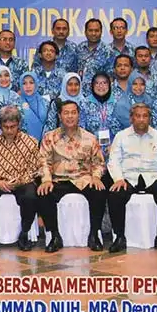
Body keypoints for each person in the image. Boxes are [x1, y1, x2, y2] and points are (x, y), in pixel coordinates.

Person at [37, 101, 108, 252]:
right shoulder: (50, 137)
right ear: (60, 116)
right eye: (66, 113)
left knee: (99, 192)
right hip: (59, 179)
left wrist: (96, 177)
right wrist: (46, 180)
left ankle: (94, 234)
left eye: (73, 113)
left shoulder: (90, 138)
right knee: (44, 193)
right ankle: (55, 236)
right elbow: (43, 161)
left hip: (83, 179)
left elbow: (99, 163)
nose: (70, 116)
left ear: (78, 115)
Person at [107, 103, 157, 252]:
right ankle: (119, 237)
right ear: (131, 118)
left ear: (150, 119)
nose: (141, 119)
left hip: (152, 176)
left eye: (145, 116)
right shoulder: (121, 136)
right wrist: (118, 179)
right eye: (138, 116)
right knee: (115, 194)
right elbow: (113, 161)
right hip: (128, 177)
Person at [0, 106, 40, 253]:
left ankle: (24, 234)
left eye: (13, 127)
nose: (9, 131)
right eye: (6, 127)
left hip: (21, 181)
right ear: (0, 126)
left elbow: (34, 169)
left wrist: (20, 181)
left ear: (19, 124)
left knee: (30, 197)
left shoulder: (31, 142)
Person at [80, 72, 121, 156]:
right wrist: (91, 146)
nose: (101, 86)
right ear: (92, 86)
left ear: (109, 85)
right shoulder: (85, 103)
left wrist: (115, 145)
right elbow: (81, 129)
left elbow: (123, 128)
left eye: (104, 83)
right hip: (91, 150)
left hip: (114, 149)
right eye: (97, 83)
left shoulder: (117, 103)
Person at [0, 65, 23, 138]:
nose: (4, 79)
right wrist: (5, 138)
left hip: (16, 137)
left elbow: (21, 118)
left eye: (6, 75)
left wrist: (16, 135)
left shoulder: (15, 96)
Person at [76, 18, 113, 86]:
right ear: (85, 32)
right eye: (90, 30)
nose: (93, 33)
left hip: (99, 90)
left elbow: (110, 77)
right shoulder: (79, 48)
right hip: (79, 90)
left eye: (96, 30)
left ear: (101, 32)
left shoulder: (108, 51)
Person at [19, 72, 49, 142]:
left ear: (36, 84)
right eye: (24, 83)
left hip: (45, 143)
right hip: (23, 144)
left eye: (31, 83)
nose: (28, 86)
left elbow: (50, 124)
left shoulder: (45, 102)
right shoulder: (16, 103)